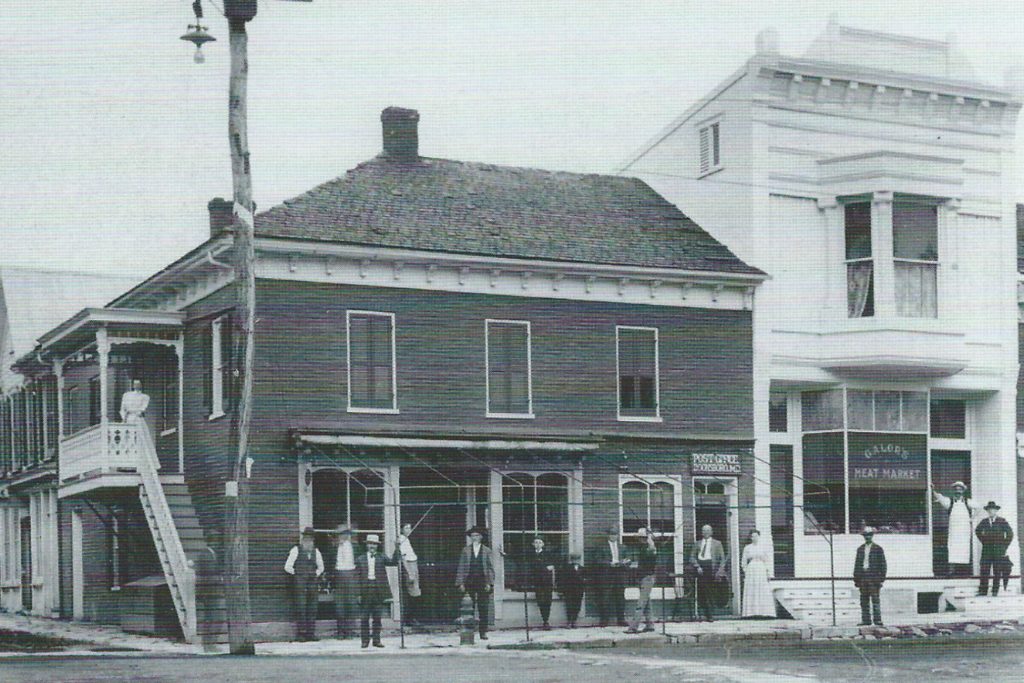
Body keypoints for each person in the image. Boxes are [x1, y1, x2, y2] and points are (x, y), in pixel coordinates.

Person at [355, 533, 397, 648]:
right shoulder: (360, 559)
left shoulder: (381, 557)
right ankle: (365, 641)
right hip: (365, 590)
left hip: (378, 590)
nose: (372, 546)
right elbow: (356, 578)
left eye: (374, 544)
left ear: (377, 546)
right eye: (370, 544)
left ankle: (376, 640)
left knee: (377, 617)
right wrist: (358, 594)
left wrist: (397, 548)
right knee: (364, 617)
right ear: (367, 545)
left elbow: (393, 562)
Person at [284, 527, 325, 641]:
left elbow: (321, 567)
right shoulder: (295, 550)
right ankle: (301, 634)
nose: (308, 540)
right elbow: (287, 567)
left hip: (312, 583)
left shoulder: (316, 552)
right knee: (301, 607)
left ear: (313, 540)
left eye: (310, 538)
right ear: (303, 538)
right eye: (306, 538)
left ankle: (311, 633)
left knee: (312, 607)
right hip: (300, 583)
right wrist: (298, 575)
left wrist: (315, 574)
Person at [455, 526, 496, 640]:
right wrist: (460, 583)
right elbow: (461, 567)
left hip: (483, 581)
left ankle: (483, 632)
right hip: (469, 581)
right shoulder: (466, 550)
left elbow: (490, 568)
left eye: (477, 535)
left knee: (483, 607)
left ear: (481, 537)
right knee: (468, 607)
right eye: (473, 536)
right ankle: (469, 631)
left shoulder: (487, 550)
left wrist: (489, 583)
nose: (475, 538)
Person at [931, 481, 979, 577]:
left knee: (964, 550)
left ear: (963, 491)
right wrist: (933, 490)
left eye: (960, 490)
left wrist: (971, 519)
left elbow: (978, 507)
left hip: (964, 531)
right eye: (956, 490)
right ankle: (952, 571)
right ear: (954, 491)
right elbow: (939, 497)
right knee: (953, 549)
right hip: (954, 531)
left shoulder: (967, 502)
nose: (958, 492)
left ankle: (964, 572)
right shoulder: (950, 502)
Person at [589, 527, 627, 627]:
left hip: (619, 574)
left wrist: (624, 562)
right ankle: (604, 620)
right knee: (605, 597)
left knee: (620, 598)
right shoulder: (602, 547)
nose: (613, 536)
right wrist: (609, 564)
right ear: (608, 535)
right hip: (606, 575)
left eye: (615, 534)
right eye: (611, 534)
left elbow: (627, 559)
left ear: (618, 535)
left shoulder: (622, 547)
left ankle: (621, 620)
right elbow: (597, 561)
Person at [975, 501, 1014, 596]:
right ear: (987, 511)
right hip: (987, 550)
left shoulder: (1002, 521)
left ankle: (995, 591)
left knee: (997, 570)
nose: (991, 511)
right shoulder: (984, 522)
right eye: (989, 510)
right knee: (984, 570)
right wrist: (984, 541)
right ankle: (983, 590)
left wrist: (1004, 546)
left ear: (996, 511)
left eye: (993, 510)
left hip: (998, 551)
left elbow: (1010, 534)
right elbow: (977, 531)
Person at [690, 524, 727, 622]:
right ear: (701, 532)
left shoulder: (717, 543)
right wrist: (697, 566)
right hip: (701, 568)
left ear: (711, 532)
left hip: (711, 567)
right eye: (704, 531)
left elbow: (722, 559)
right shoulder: (697, 543)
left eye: (707, 530)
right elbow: (692, 557)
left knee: (710, 591)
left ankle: (710, 614)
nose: (705, 532)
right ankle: (706, 613)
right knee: (702, 592)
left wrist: (720, 571)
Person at [624, 528, 658, 634]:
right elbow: (642, 564)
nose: (640, 540)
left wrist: (650, 540)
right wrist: (630, 563)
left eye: (642, 538)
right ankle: (650, 625)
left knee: (641, 603)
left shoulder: (650, 548)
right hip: (643, 577)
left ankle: (633, 627)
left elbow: (652, 551)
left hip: (647, 578)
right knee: (647, 603)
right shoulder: (643, 549)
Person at [853, 526, 887, 626]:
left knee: (875, 600)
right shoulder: (860, 549)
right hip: (863, 576)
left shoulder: (878, 549)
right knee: (864, 600)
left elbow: (883, 565)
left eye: (869, 535)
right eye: (865, 535)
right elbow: (857, 564)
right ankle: (866, 620)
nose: (867, 537)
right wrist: (856, 579)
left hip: (874, 578)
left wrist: (881, 579)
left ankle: (877, 620)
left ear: (872, 536)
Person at [740, 529, 774, 618]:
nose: (754, 538)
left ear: (759, 537)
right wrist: (746, 570)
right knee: (752, 589)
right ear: (750, 538)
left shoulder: (763, 547)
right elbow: (743, 561)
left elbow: (767, 560)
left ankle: (764, 612)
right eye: (752, 536)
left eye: (756, 536)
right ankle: (751, 612)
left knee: (762, 589)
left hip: (761, 568)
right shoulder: (747, 548)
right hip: (751, 569)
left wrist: (768, 572)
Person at [333, 524, 359, 638]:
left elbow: (359, 563)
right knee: (339, 605)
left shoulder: (356, 547)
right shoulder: (334, 548)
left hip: (352, 575)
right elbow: (329, 562)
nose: (342, 536)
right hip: (339, 575)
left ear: (348, 535)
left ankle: (349, 631)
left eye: (345, 534)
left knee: (351, 604)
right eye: (341, 534)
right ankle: (340, 632)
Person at [526, 537, 557, 629]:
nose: (538, 544)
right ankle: (544, 619)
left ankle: (546, 621)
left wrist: (551, 567)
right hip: (537, 582)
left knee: (547, 601)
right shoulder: (531, 555)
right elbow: (520, 558)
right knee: (540, 600)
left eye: (540, 542)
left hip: (547, 582)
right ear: (533, 544)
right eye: (536, 542)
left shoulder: (548, 554)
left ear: (543, 544)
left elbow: (555, 564)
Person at [396, 523, 422, 624]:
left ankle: (412, 618)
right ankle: (410, 618)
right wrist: (410, 573)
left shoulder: (407, 540)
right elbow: (404, 559)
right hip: (409, 567)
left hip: (413, 565)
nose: (409, 530)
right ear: (402, 529)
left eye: (410, 528)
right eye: (406, 528)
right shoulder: (401, 540)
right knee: (412, 592)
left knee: (416, 591)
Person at [557, 553, 586, 628]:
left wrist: (583, 582)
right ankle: (569, 621)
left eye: (577, 559)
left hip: (579, 590)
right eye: (574, 559)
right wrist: (561, 590)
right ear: (571, 560)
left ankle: (574, 621)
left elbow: (585, 579)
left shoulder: (582, 568)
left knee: (577, 605)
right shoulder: (566, 568)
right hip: (569, 590)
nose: (576, 561)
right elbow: (562, 579)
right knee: (569, 605)